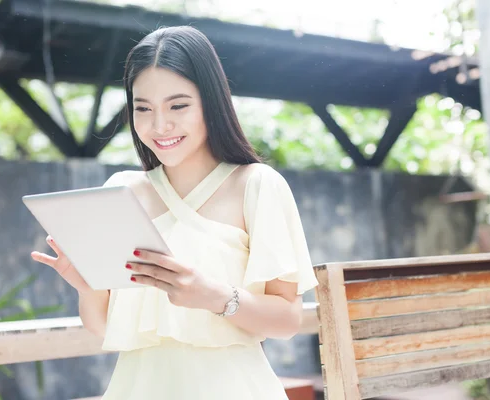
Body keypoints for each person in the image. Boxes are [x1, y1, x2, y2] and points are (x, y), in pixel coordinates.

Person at [31, 25, 318, 400]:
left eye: (177, 105)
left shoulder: (257, 184)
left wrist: (214, 296)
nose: (159, 125)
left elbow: (287, 320)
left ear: (210, 102)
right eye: (143, 109)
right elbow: (103, 327)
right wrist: (88, 288)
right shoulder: (122, 191)